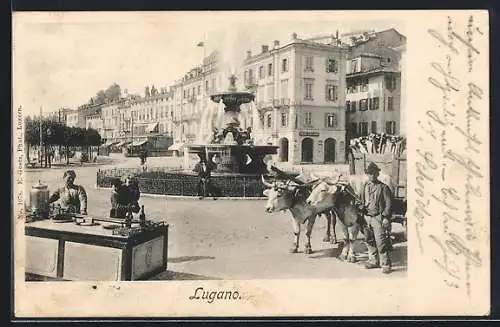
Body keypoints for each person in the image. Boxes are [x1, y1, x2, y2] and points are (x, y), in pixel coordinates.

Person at [358, 162, 393, 274]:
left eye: (373, 173)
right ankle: (373, 261)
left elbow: (388, 204)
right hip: (367, 218)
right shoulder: (364, 186)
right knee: (369, 240)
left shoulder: (383, 187)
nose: (371, 176)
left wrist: (386, 217)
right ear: (367, 175)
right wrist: (360, 206)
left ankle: (385, 264)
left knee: (381, 241)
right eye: (369, 174)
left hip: (378, 217)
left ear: (377, 174)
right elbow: (360, 201)